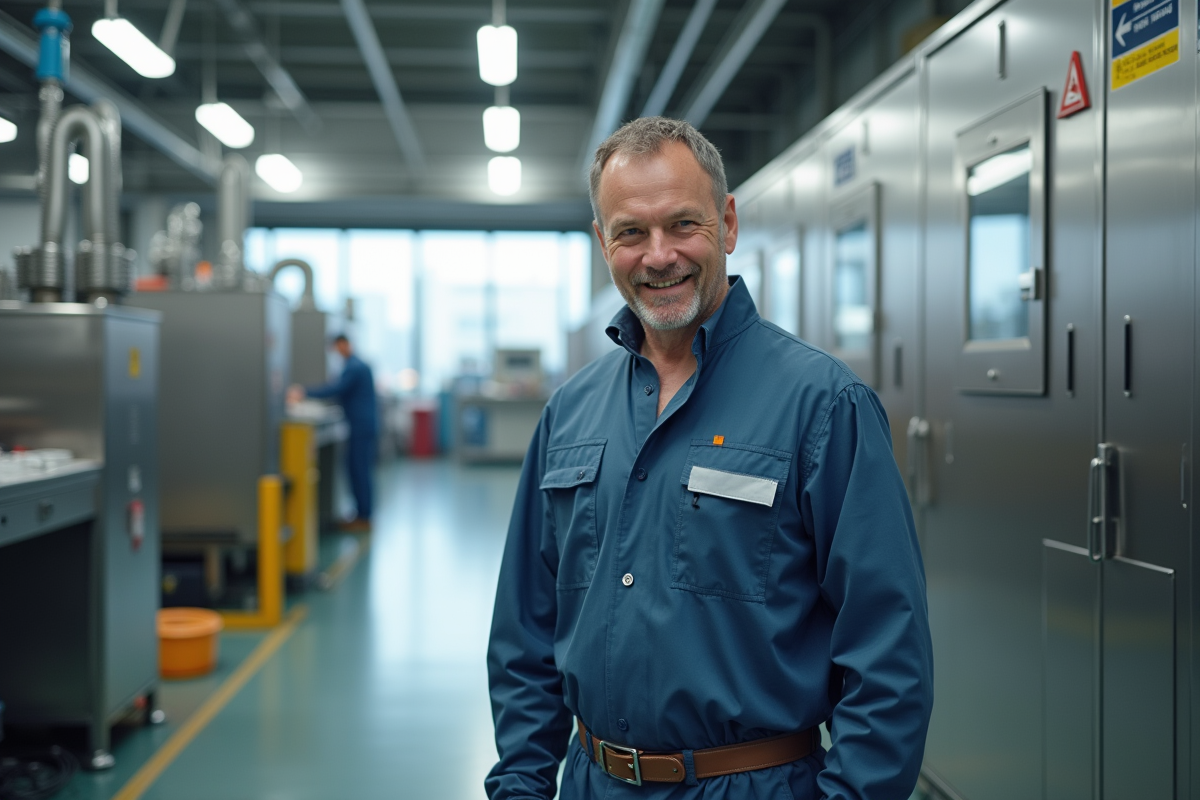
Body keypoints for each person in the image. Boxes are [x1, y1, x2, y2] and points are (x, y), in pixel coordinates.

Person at [485, 117, 934, 800]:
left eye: (682, 225)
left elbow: (888, 652)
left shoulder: (823, 406)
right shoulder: (570, 414)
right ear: (603, 242)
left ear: (727, 223)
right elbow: (525, 631)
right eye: (631, 232)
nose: (659, 255)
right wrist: (521, 781)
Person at [289, 334, 377, 532]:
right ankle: (363, 513)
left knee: (359, 470)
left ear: (344, 344)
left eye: (337, 347)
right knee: (357, 469)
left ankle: (364, 516)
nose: (336, 352)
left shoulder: (354, 367)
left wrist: (303, 392)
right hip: (361, 425)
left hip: (360, 427)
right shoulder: (356, 365)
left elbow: (336, 389)